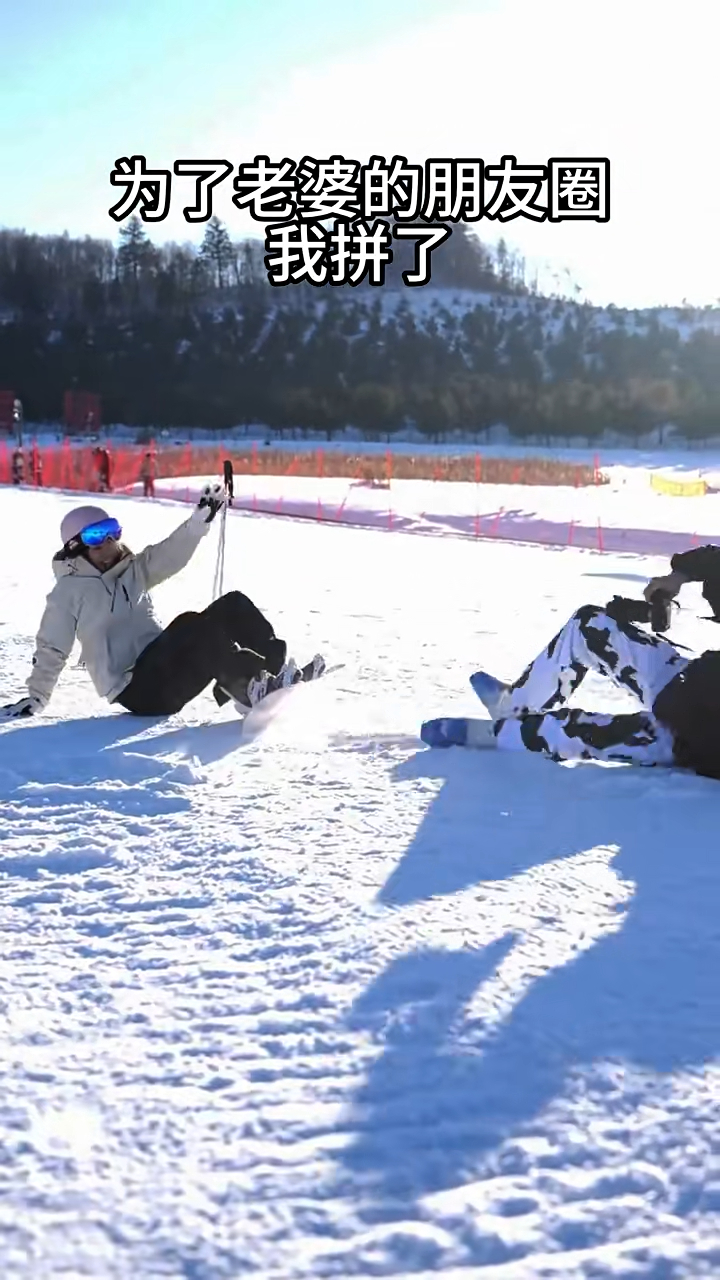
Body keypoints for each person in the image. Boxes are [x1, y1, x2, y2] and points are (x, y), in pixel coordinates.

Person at [0, 485, 306, 721]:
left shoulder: (131, 569)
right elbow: (52, 647)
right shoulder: (69, 592)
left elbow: (170, 554)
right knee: (192, 625)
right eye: (96, 536)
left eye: (111, 531)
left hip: (165, 665)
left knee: (233, 605)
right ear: (76, 547)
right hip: (139, 690)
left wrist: (199, 521)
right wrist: (36, 696)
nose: (108, 542)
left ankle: (269, 676)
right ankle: (247, 688)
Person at [423, 542, 720, 780]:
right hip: (686, 680)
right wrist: (676, 578)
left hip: (691, 738)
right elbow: (713, 558)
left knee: (574, 731)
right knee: (590, 626)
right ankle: (513, 706)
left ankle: (498, 735)